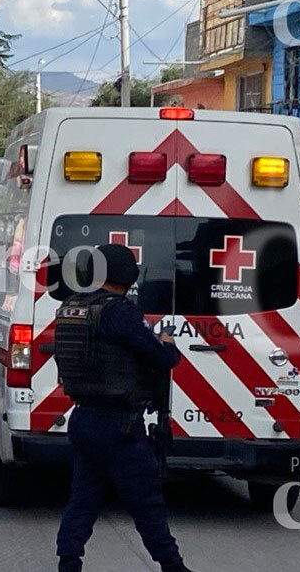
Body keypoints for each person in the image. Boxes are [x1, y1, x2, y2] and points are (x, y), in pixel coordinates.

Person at [54, 244, 194, 572]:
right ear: (126, 275)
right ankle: (173, 566)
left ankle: (68, 562)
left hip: (84, 417)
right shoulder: (118, 312)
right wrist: (169, 345)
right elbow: (162, 358)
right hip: (119, 424)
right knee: (147, 501)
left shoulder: (72, 306)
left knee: (83, 499)